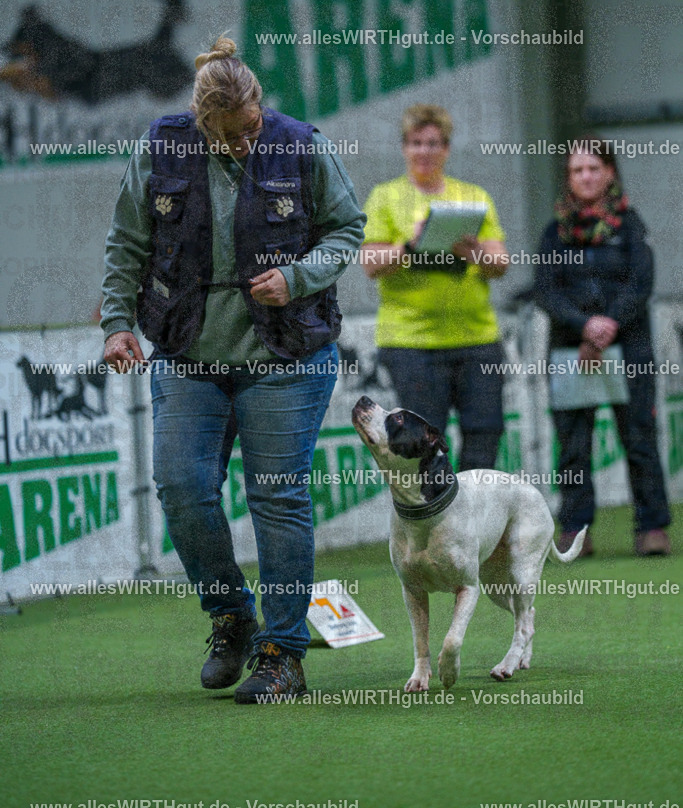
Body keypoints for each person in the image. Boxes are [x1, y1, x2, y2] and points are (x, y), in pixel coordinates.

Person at [101, 37, 365, 703]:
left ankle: (283, 656)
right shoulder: (160, 148)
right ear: (201, 123)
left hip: (286, 356)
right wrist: (115, 323)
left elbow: (346, 230)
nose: (245, 143)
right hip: (188, 353)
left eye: (251, 128)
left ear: (259, 105)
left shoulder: (300, 144)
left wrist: (299, 275)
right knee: (181, 488)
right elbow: (128, 240)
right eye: (229, 136)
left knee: (276, 497)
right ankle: (231, 617)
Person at [534, 138, 671, 556]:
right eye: (577, 170)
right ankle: (576, 530)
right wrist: (584, 324)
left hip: (629, 348)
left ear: (609, 172)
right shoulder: (553, 233)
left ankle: (652, 528)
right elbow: (546, 291)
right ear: (569, 178)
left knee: (640, 439)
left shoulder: (630, 225)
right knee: (573, 446)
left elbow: (641, 282)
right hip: (569, 352)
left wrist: (609, 322)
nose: (586, 177)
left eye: (594, 168)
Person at [361, 103, 509, 471]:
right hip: (412, 344)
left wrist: (475, 252)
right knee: (424, 446)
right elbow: (370, 264)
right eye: (416, 143)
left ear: (446, 148)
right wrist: (410, 245)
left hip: (477, 339)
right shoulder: (385, 197)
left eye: (433, 143)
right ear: (403, 148)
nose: (424, 152)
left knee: (484, 434)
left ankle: (478, 528)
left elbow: (501, 264)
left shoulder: (473, 196)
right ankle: (437, 527)